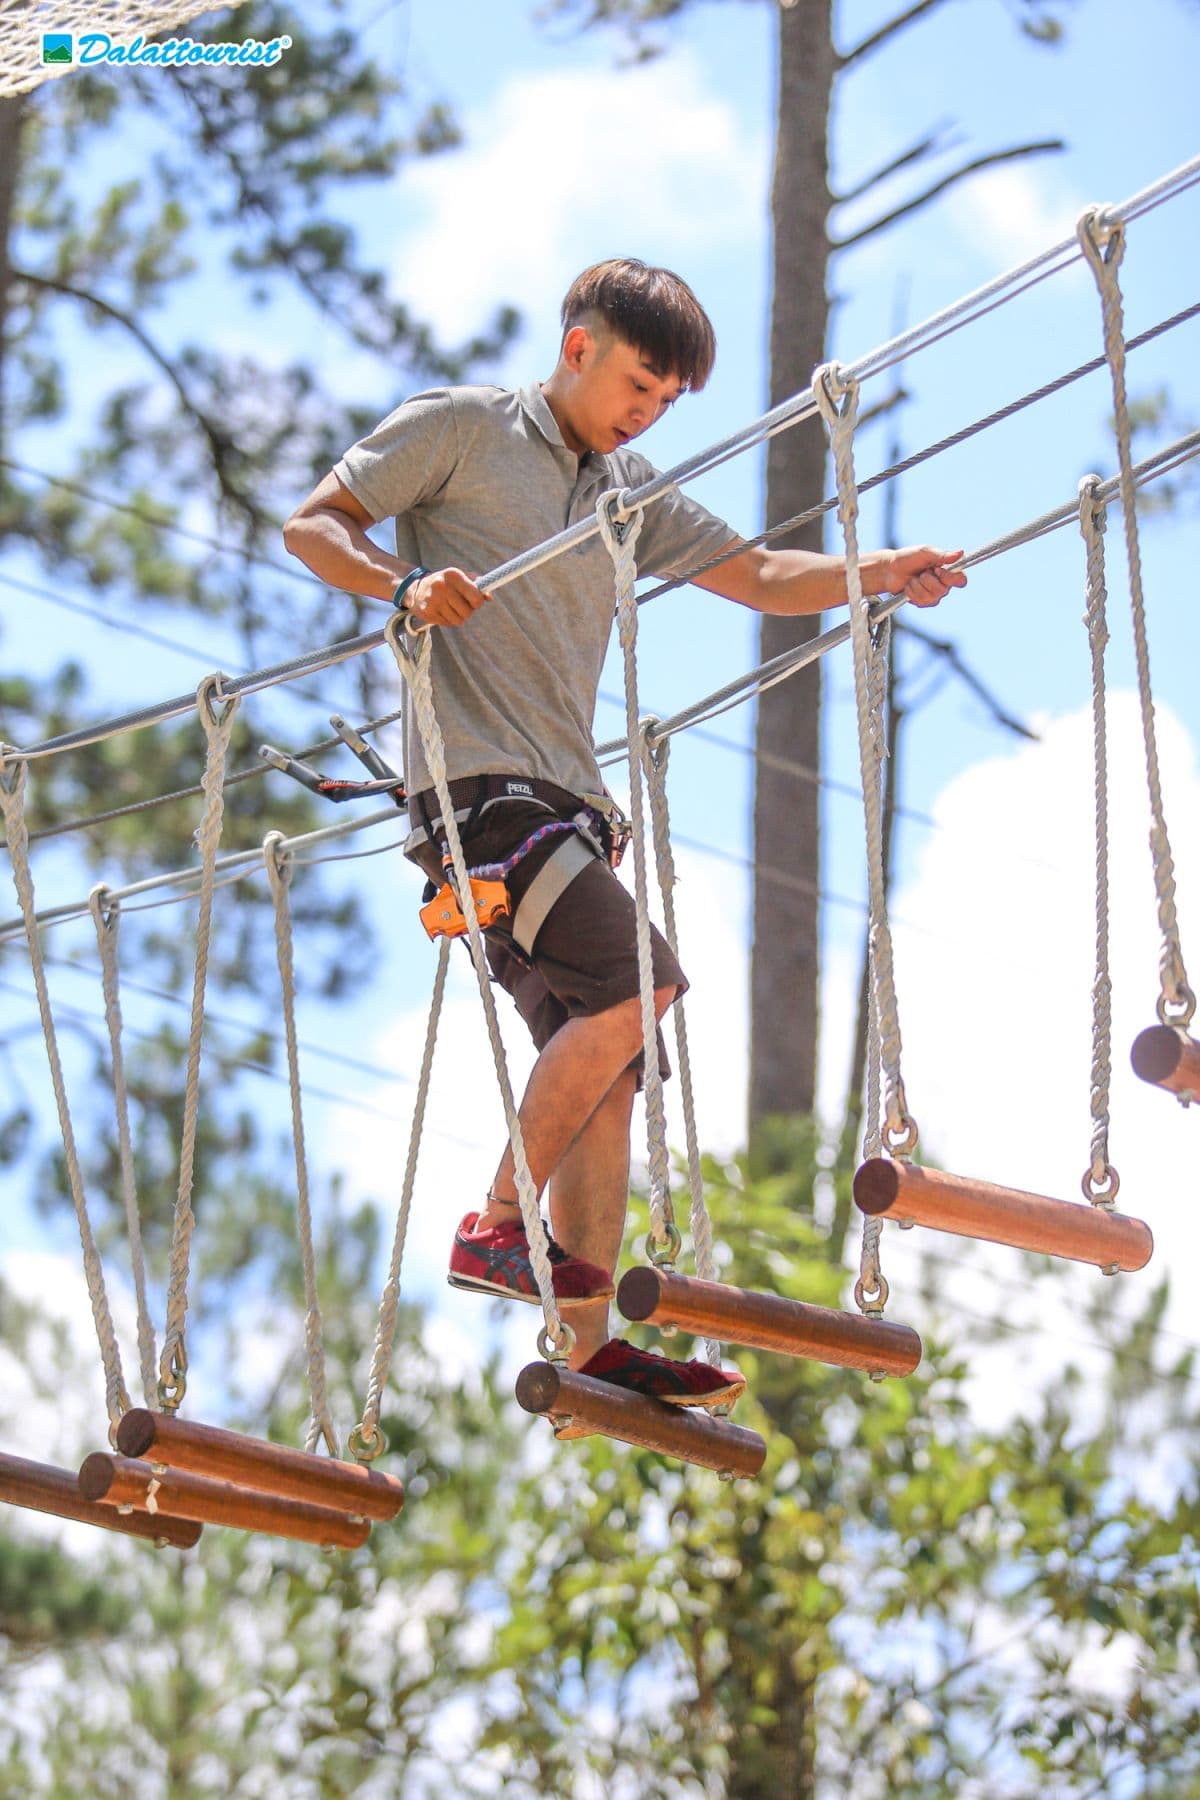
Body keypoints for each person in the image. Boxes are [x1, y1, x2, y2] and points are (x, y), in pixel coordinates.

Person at [283, 258, 965, 1413]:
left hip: (568, 809)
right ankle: (499, 1219)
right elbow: (314, 523)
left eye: (664, 400)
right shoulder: (456, 429)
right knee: (641, 980)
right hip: (481, 798)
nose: (643, 411)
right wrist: (403, 587)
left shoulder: (625, 492)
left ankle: (587, 1337)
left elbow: (753, 572)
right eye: (637, 383)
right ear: (577, 343)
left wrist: (875, 574)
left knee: (610, 1072)